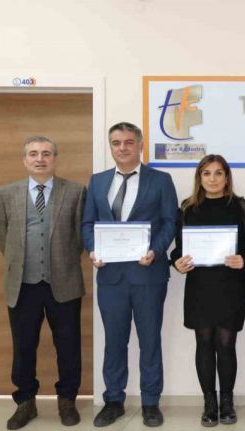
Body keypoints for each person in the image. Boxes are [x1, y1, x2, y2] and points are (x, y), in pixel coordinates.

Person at [82, 122, 177, 427]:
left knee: (150, 341)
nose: (122, 148)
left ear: (140, 145)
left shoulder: (161, 180)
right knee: (114, 341)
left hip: (148, 275)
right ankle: (113, 401)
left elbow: (169, 222)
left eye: (128, 142)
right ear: (111, 146)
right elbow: (88, 223)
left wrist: (155, 251)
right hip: (110, 276)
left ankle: (150, 402)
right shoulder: (98, 181)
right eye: (116, 143)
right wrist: (93, 249)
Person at [0, 136, 86, 430]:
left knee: (68, 345)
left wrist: (61, 261)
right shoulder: (4, 194)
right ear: (25, 160)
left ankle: (67, 400)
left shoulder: (75, 192)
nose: (40, 159)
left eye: (46, 153)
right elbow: (3, 237)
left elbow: (79, 237)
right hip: (22, 285)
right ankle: (25, 402)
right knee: (23, 346)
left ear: (55, 159)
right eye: (33, 154)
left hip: (65, 281)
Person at [170, 154, 245, 427]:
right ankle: (209, 403)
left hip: (230, 286)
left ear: (227, 177)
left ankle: (227, 402)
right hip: (200, 287)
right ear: (200, 177)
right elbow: (178, 249)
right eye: (206, 173)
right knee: (204, 344)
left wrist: (244, 259)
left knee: (227, 345)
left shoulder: (242, 207)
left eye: (218, 173)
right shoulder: (187, 208)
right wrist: (177, 262)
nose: (213, 179)